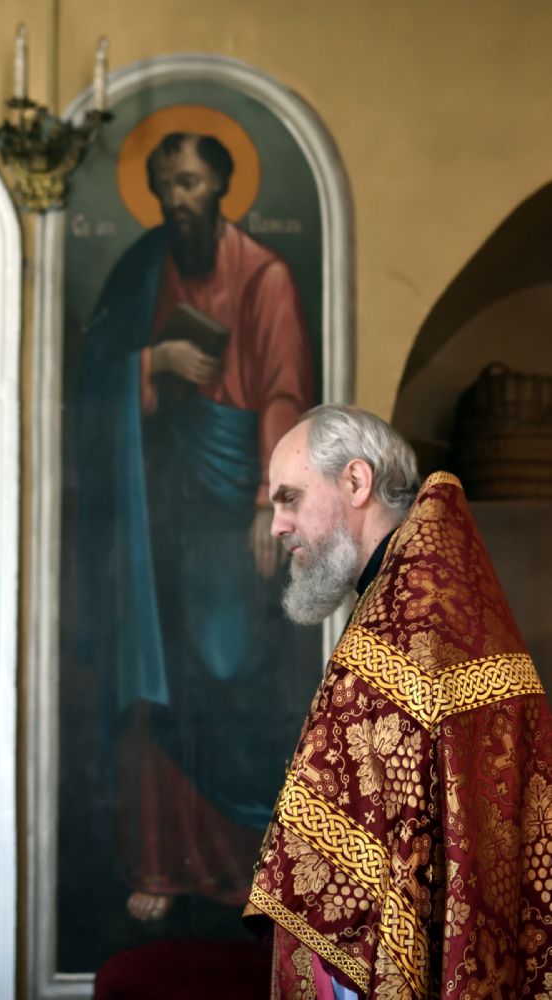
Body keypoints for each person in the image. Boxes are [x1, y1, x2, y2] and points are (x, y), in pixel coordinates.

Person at [77, 132, 314, 921]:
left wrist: (269, 501)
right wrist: (151, 365)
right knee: (158, 673)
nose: (176, 198)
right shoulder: (140, 269)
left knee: (229, 672)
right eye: (165, 184)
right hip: (151, 512)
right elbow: (87, 379)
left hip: (233, 504)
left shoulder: (264, 276)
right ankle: (161, 860)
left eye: (189, 182)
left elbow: (283, 392)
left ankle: (249, 864)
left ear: (220, 186)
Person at [245, 404, 552, 998]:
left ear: (356, 481)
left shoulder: (410, 617)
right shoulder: (420, 588)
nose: (278, 524)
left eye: (290, 498)